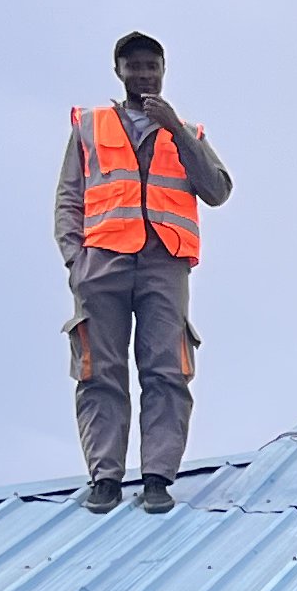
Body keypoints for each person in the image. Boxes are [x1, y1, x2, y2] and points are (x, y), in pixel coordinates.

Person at [56, 30, 233, 514]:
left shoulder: (187, 131)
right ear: (119, 71)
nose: (143, 74)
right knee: (99, 372)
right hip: (102, 265)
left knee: (166, 370)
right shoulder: (90, 126)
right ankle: (105, 477)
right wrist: (76, 261)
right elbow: (69, 198)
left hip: (164, 264)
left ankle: (157, 476)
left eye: (151, 66)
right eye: (133, 66)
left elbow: (217, 191)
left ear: (163, 71)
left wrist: (174, 128)